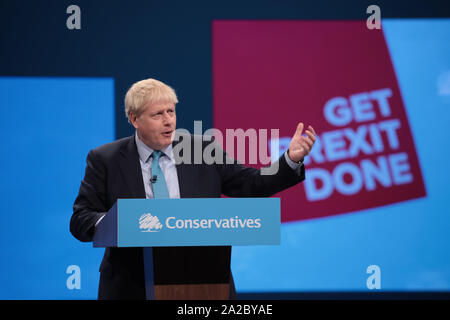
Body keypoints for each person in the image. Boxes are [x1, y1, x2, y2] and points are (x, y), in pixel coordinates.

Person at [70, 78, 316, 300]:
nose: (168, 121)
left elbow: (251, 184)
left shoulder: (202, 150)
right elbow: (81, 218)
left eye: (171, 111)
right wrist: (117, 222)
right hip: (131, 286)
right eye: (157, 114)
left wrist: (290, 161)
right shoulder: (106, 159)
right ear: (135, 119)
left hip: (204, 281)